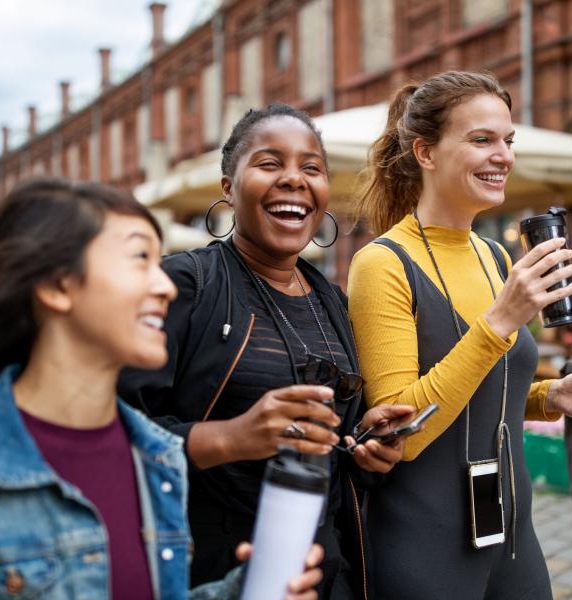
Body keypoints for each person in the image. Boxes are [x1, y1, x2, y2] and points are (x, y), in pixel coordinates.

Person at [119, 103, 412, 600]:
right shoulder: (184, 285)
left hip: (324, 573)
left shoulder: (332, 302)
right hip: (213, 573)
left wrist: (365, 452)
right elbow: (115, 432)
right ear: (229, 188)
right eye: (270, 164)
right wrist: (231, 437)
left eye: (311, 168)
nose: (294, 179)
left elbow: (334, 451)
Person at [0, 177, 322, 600]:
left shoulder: (157, 457)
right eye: (139, 258)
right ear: (57, 286)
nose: (164, 284)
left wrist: (243, 591)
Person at [348, 71, 572, 600]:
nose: (502, 155)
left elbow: (484, 392)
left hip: (514, 536)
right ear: (426, 153)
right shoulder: (381, 264)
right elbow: (399, 431)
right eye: (481, 139)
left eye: (508, 140)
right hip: (425, 545)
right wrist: (501, 320)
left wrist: (551, 396)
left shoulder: (495, 256)